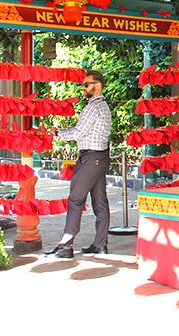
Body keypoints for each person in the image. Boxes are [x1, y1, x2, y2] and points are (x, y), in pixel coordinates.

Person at [45, 70, 112, 259]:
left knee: (75, 199)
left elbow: (77, 133)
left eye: (86, 84)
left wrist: (57, 132)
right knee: (100, 202)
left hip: (90, 158)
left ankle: (66, 246)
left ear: (97, 86)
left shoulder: (93, 107)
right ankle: (100, 244)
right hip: (100, 157)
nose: (83, 88)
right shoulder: (103, 106)